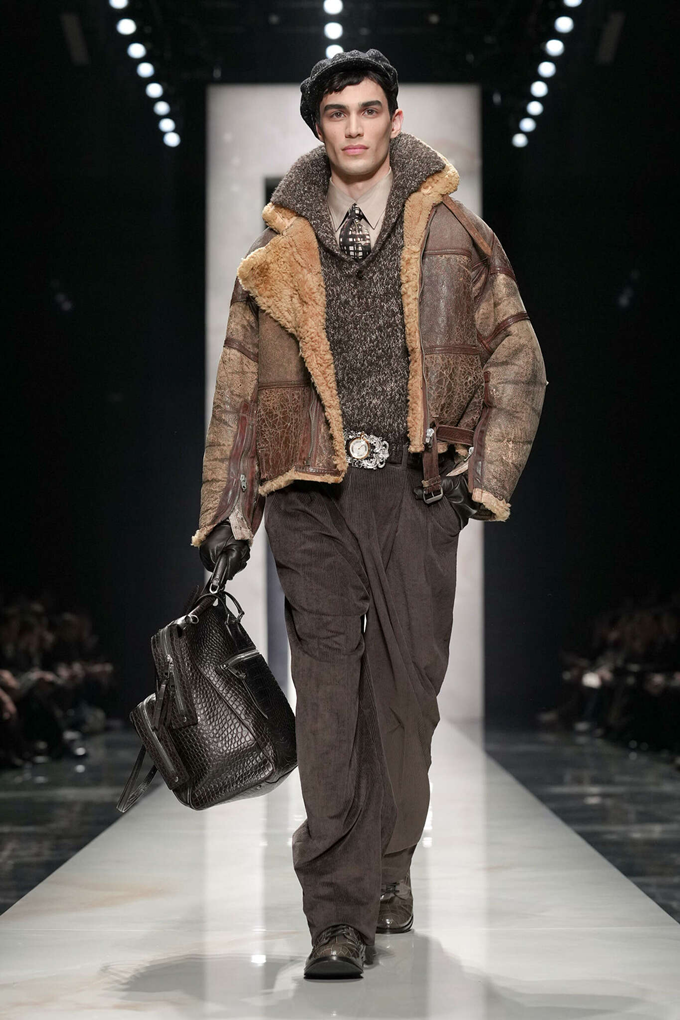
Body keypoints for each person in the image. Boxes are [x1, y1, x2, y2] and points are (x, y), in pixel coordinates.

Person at [192, 49, 546, 979]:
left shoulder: (458, 236)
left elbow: (519, 362)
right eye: (337, 113)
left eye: (369, 109)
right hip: (308, 494)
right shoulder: (272, 259)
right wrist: (228, 513)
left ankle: (389, 863)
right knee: (328, 701)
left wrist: (477, 484)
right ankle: (337, 914)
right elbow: (237, 396)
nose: (354, 126)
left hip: (417, 495)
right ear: (318, 128)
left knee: (405, 703)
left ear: (395, 117)